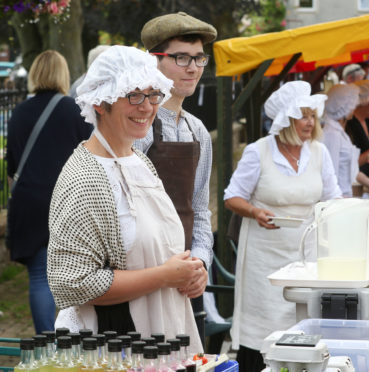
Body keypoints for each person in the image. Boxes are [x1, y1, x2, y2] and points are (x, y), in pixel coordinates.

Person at [47, 46, 205, 353]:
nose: (146, 106)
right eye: (133, 95)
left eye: (152, 94)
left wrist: (192, 273)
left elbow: (158, 247)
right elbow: (71, 282)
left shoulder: (140, 162)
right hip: (115, 347)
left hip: (166, 332)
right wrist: (163, 276)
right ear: (100, 103)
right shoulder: (84, 178)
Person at [224, 81, 341, 371]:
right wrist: (254, 211)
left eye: (312, 116)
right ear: (286, 119)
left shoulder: (318, 152)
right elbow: (231, 197)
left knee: (302, 323)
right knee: (263, 327)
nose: (310, 122)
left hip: (307, 256)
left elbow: (333, 198)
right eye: (303, 116)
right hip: (265, 258)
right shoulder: (259, 151)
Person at [6, 50, 93, 334]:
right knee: (74, 275)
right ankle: (72, 340)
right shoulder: (75, 110)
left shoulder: (18, 112)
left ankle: (45, 341)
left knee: (40, 277)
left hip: (29, 202)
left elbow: (12, 166)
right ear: (63, 74)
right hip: (66, 201)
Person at [134, 12, 216, 276]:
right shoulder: (137, 126)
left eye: (199, 58)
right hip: (142, 269)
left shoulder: (198, 131)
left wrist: (200, 262)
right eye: (181, 58)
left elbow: (200, 209)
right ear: (154, 61)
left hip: (185, 269)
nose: (193, 67)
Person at [321, 84, 360, 197]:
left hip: (346, 194)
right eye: (351, 105)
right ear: (343, 108)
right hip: (339, 197)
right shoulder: (332, 134)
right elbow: (331, 171)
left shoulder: (339, 132)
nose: (354, 108)